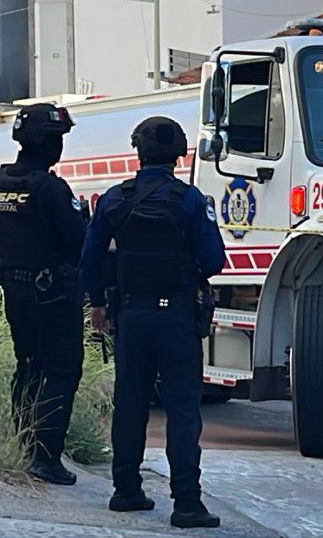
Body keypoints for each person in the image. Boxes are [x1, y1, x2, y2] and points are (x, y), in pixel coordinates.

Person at [81, 116, 225, 529]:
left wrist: (98, 306)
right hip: (177, 317)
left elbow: (89, 261)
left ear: (137, 152)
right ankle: (187, 504)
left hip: (131, 315)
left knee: (129, 405)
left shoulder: (113, 200)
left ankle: (125, 491)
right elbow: (214, 259)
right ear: (180, 154)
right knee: (182, 410)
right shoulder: (189, 200)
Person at [0, 103, 88, 485]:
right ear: (48, 143)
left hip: (15, 289)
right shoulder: (51, 188)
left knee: (27, 364)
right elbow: (78, 243)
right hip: (53, 294)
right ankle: (46, 458)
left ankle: (25, 446)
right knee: (59, 370)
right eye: (57, 138)